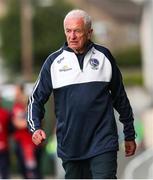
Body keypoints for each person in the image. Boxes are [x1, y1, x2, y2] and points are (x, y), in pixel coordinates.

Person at [27, 9, 137, 179]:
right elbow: (36, 99)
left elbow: (120, 98)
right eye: (68, 31)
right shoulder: (53, 62)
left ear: (89, 32)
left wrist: (129, 134)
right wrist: (35, 128)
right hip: (70, 145)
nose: (72, 36)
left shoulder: (104, 57)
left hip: (103, 142)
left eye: (77, 31)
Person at [12, 84, 42, 179]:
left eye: (17, 91)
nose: (15, 94)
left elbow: (26, 122)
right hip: (21, 142)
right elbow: (16, 123)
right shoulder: (17, 106)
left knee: (33, 170)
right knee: (24, 170)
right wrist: (25, 122)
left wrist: (25, 122)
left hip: (30, 143)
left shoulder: (29, 104)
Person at [0, 94, 12, 179]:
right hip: (3, 147)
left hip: (3, 148)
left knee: (5, 173)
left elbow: (11, 129)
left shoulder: (6, 113)